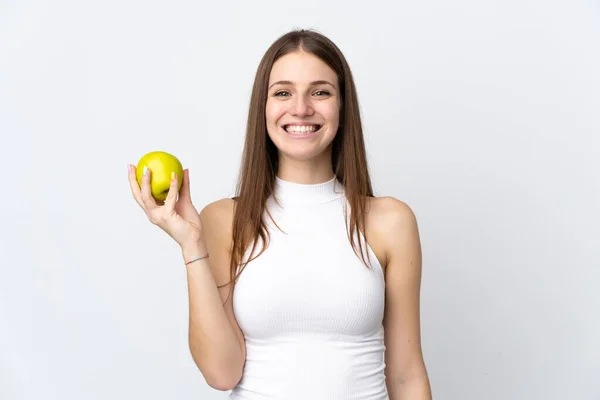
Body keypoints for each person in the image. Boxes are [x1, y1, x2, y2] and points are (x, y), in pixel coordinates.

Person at [127, 29, 432, 400]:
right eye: (283, 92)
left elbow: (406, 376)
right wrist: (191, 245)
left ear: (342, 107)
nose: (301, 108)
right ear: (264, 107)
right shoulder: (224, 221)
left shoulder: (390, 221)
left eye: (320, 92)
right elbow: (222, 373)